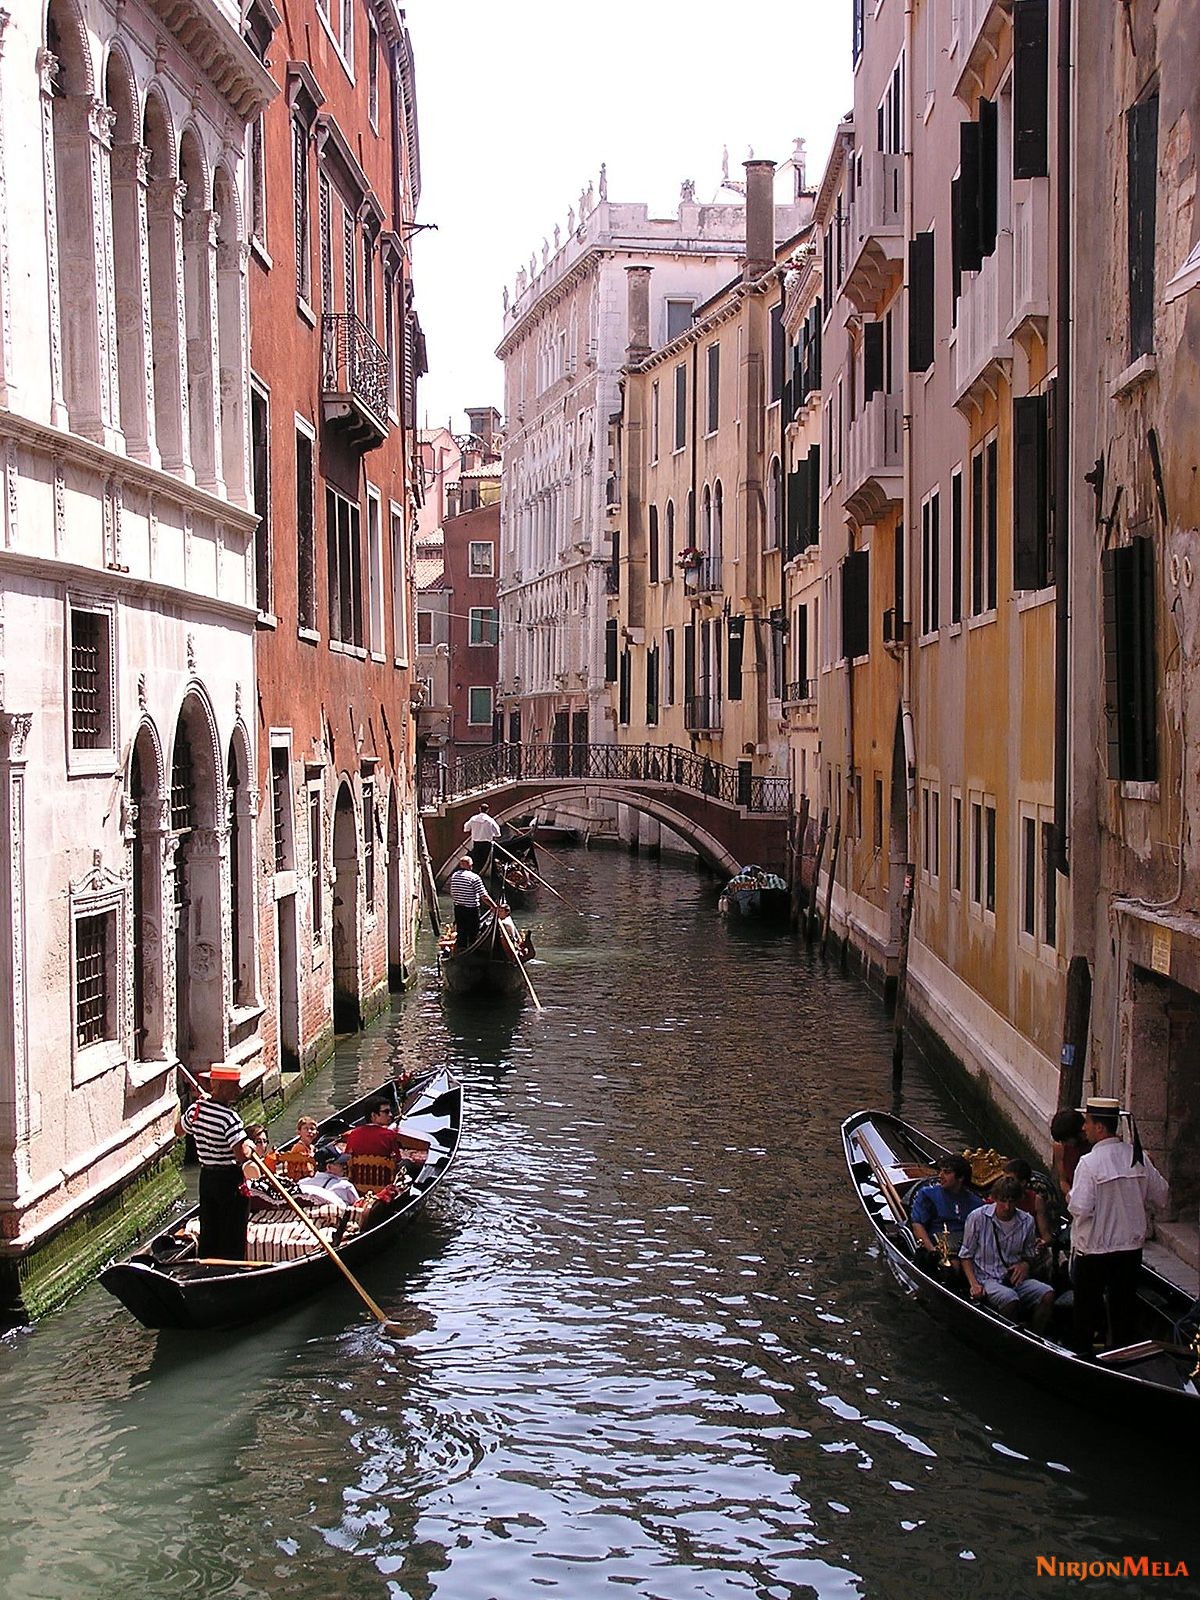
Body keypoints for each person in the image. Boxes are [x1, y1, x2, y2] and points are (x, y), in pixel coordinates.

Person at [1070, 1096, 1169, 1353]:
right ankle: (1122, 1357)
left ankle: (1084, 1357)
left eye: (1087, 1123)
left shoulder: (1089, 1164)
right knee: (1123, 1311)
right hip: (1129, 1252)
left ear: (1100, 1128)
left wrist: (1069, 1194)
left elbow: (1080, 1208)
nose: (1084, 1128)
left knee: (1086, 1315)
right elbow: (1163, 1196)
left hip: (1094, 1252)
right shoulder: (1138, 1158)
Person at [176, 1065, 256, 1260]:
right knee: (232, 1230)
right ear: (221, 1086)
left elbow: (178, 1130)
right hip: (229, 1181)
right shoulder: (230, 1118)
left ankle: (207, 1263)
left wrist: (198, 1108)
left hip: (207, 1179)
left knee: (210, 1227)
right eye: (235, 1085)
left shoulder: (196, 1110)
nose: (239, 1089)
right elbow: (241, 1156)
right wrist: (250, 1145)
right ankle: (232, 1265)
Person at [959, 1175, 1055, 1331]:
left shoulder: (1027, 1221)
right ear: (995, 1198)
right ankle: (1006, 1335)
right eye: (1003, 1201)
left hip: (1013, 1278)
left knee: (1047, 1293)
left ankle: (1037, 1334)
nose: (1007, 1207)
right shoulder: (977, 1218)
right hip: (986, 1277)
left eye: (1011, 1201)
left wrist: (1025, 1265)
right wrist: (974, 1284)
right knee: (1010, 1299)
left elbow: (1029, 1254)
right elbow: (966, 1255)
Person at [909, 1154, 984, 1261]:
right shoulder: (927, 1195)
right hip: (936, 1245)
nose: (940, 1175)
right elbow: (917, 1225)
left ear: (961, 1177)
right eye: (941, 1171)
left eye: (947, 1173)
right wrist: (932, 1251)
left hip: (965, 1248)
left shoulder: (977, 1203)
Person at [1002, 1157, 1055, 1250]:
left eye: (1011, 1180)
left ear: (1022, 1182)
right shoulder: (998, 1198)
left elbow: (1046, 1236)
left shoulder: (1036, 1201)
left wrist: (1042, 1243)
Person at [449, 854, 497, 948]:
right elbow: (484, 896)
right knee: (473, 932)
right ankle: (472, 947)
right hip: (471, 909)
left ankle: (461, 948)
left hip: (458, 908)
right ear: (470, 865)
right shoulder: (474, 877)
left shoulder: (454, 876)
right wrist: (494, 906)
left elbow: (452, 892)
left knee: (461, 931)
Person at [1051, 1108, 1089, 1199]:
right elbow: (1063, 1180)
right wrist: (1071, 1195)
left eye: (1065, 1140)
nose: (1064, 1144)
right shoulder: (1060, 1148)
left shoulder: (1093, 1146)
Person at [464, 801, 501, 872]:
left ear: (479, 809)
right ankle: (480, 872)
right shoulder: (490, 820)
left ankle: (476, 871)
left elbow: (466, 828)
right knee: (484, 860)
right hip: (486, 843)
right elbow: (498, 833)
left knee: (476, 859)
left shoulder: (473, 819)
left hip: (476, 842)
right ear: (488, 810)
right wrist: (491, 834)